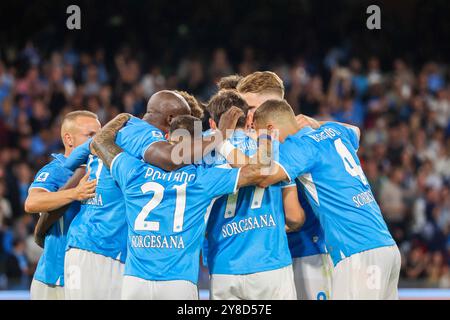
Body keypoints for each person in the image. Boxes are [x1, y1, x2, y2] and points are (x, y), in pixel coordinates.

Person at [89, 111, 271, 300]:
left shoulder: (134, 171)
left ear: (167, 138)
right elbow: (259, 170)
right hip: (179, 282)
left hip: (135, 280)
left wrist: (121, 118)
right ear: (199, 147)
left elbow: (100, 142)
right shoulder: (202, 180)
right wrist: (263, 132)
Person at [253, 99, 401, 300]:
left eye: (260, 135)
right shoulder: (334, 130)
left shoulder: (298, 147)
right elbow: (356, 130)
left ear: (271, 129)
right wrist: (317, 122)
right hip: (386, 247)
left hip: (358, 252)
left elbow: (264, 177)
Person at [238, 71, 332, 300]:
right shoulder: (250, 143)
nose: (247, 117)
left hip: (308, 251)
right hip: (268, 259)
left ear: (274, 106)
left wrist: (319, 123)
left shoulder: (301, 137)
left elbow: (353, 133)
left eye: (251, 108)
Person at [204, 90, 302, 300]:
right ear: (248, 119)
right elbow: (294, 217)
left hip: (224, 266)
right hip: (270, 262)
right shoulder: (273, 145)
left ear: (213, 124)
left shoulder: (200, 150)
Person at [24, 110, 100, 300]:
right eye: (90, 135)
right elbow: (32, 202)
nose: (97, 140)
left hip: (88, 273)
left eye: (100, 134)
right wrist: (75, 193)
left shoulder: (102, 170)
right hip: (55, 277)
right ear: (69, 139)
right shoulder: (58, 169)